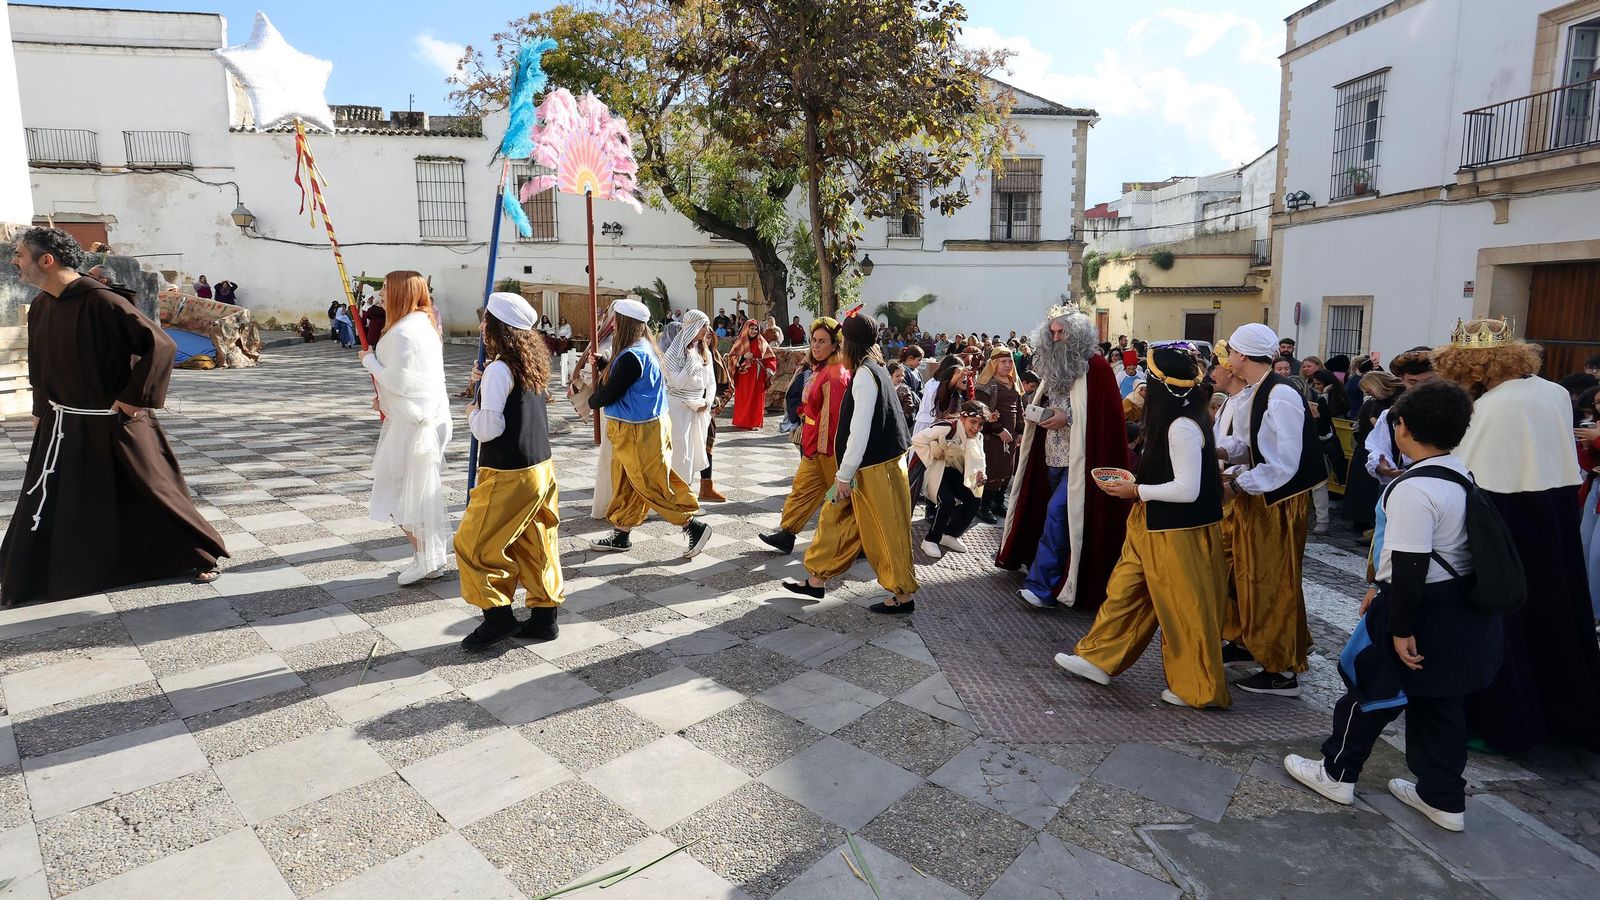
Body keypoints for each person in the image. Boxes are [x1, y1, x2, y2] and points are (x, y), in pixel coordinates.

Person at [1285, 380, 1501, 832]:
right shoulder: (1461, 473)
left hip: (1417, 607)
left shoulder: (1412, 488)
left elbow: (1409, 565)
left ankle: (1336, 771)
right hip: (1457, 606)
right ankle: (1442, 796)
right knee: (1440, 704)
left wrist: (1399, 627)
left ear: (1401, 428)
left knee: (1370, 691)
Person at [2, 228, 227, 605]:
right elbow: (40, 365)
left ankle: (194, 552)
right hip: (63, 425)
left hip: (113, 418)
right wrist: (41, 410)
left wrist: (133, 399)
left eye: (20, 254)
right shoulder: (42, 305)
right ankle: (52, 568)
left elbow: (160, 344)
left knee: (152, 487)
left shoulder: (102, 301)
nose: (15, 262)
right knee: (66, 498)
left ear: (47, 260)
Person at [1433, 318, 1600, 753]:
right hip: (1555, 507)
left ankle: (1503, 720)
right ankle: (1563, 715)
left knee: (1502, 619)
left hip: (1503, 513)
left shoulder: (1492, 406)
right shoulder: (1555, 391)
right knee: (1555, 609)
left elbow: (1466, 469)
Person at [1054, 347, 1231, 709]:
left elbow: (1187, 489)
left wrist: (1135, 489)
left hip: (1176, 533)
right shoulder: (1176, 416)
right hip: (1149, 524)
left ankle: (1197, 687)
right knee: (1124, 592)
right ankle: (1098, 659)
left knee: (1184, 611)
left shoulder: (1182, 426)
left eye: (1149, 378)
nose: (1144, 384)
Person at [1216, 323, 1327, 697]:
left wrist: (1234, 485)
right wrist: (1217, 452)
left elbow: (1283, 464)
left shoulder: (1279, 395)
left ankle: (1280, 668)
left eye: (1231, 351)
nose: (1228, 358)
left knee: (1270, 580)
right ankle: (1249, 641)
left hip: (1277, 502)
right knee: (1240, 572)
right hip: (1259, 495)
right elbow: (1251, 445)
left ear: (1243, 355)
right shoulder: (1256, 390)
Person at [997, 307, 1131, 611]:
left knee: (1058, 516)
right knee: (1055, 518)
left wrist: (1065, 417)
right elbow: (1049, 402)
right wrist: (1039, 413)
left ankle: (1042, 587)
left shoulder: (1096, 367)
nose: (1056, 338)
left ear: (1077, 334)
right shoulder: (1052, 365)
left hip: (1081, 460)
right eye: (1053, 333)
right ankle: (1062, 576)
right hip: (1051, 457)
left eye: (1062, 333)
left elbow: (1102, 417)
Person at [783, 313, 918, 613]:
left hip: (874, 469)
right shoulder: (876, 369)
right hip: (871, 467)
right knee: (836, 517)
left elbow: (860, 429)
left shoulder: (865, 375)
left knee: (888, 530)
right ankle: (816, 580)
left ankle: (903, 595)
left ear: (850, 345)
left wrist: (844, 474)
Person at [455, 292, 565, 650]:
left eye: (485, 320)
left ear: (498, 327)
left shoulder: (500, 369)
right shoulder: (527, 363)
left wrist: (474, 409)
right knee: (536, 542)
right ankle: (543, 617)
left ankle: (497, 618)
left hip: (508, 472)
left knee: (473, 544)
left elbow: (488, 429)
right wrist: (483, 382)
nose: (481, 326)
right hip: (540, 468)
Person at [586, 298, 713, 557]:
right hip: (641, 427)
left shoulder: (633, 356)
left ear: (624, 324)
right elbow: (625, 377)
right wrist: (603, 365)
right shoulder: (643, 347)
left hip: (638, 432)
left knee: (652, 484)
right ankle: (621, 533)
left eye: (616, 321)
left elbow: (609, 393)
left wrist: (591, 399)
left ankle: (693, 526)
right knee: (627, 482)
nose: (613, 326)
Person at [360, 271, 452, 585]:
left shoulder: (405, 332)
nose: (381, 292)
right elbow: (414, 381)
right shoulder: (419, 324)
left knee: (400, 494)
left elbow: (400, 380)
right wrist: (384, 401)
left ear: (400, 291)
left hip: (414, 425)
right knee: (418, 493)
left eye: (386, 287)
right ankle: (431, 556)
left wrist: (369, 361)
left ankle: (425, 557)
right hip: (420, 418)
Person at [761, 317, 849, 554]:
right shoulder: (821, 369)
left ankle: (853, 542)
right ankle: (787, 533)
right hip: (813, 444)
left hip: (827, 449)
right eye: (813, 341)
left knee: (840, 499)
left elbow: (833, 418)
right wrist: (803, 411)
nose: (816, 346)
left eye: (822, 341)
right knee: (802, 489)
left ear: (834, 344)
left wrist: (823, 449)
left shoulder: (835, 375)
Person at [911, 400, 990, 559]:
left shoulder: (977, 437)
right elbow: (917, 439)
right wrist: (934, 452)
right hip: (934, 469)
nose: (976, 428)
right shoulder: (948, 427)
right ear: (963, 418)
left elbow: (980, 460)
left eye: (980, 424)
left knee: (974, 498)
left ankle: (950, 535)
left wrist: (981, 475)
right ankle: (930, 539)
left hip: (954, 472)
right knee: (946, 501)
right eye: (972, 422)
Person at [661, 310, 721, 502]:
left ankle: (686, 492)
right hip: (678, 408)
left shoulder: (704, 352)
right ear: (693, 326)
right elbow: (676, 383)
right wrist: (690, 367)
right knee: (680, 452)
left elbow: (711, 382)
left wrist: (707, 402)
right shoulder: (673, 353)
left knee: (695, 451)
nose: (707, 330)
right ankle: (676, 495)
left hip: (699, 409)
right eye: (704, 325)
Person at [1344, 371, 1403, 532]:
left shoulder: (1395, 401)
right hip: (1368, 449)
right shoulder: (1375, 402)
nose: (1367, 393)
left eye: (1369, 389)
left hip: (1385, 453)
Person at [974, 346, 1024, 524]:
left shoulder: (1013, 382)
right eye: (1003, 361)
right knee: (993, 469)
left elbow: (1018, 409)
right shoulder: (987, 384)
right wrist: (998, 429)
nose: (1008, 364)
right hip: (992, 437)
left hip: (1010, 438)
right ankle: (983, 506)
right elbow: (982, 410)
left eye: (1010, 361)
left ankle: (997, 502)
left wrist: (1019, 431)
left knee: (1007, 470)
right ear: (994, 363)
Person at [730, 317, 777, 429]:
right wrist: (742, 357)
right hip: (743, 375)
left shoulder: (762, 341)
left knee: (756, 398)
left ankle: (754, 422)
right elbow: (731, 357)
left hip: (757, 374)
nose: (754, 331)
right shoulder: (740, 341)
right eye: (752, 329)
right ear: (747, 329)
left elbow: (771, 357)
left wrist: (770, 369)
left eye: (756, 329)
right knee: (743, 397)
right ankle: (741, 421)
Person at [887, 361, 917, 428]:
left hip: (901, 422)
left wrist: (902, 418)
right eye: (897, 376)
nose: (901, 378)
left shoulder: (904, 389)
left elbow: (909, 405)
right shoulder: (886, 387)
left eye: (902, 376)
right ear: (889, 376)